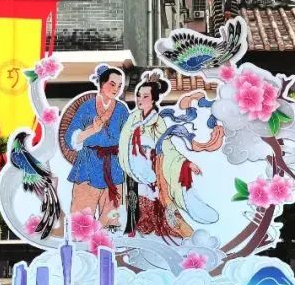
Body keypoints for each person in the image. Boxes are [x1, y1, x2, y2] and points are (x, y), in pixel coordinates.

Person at [118, 72, 223, 242]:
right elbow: (123, 143)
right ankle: (133, 235)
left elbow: (167, 147)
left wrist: (186, 163)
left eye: (145, 96)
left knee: (159, 203)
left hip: (153, 168)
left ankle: (166, 234)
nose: (140, 99)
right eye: (138, 95)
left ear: (153, 99)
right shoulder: (132, 119)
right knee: (133, 205)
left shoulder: (157, 121)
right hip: (133, 168)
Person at [64, 65, 129, 229]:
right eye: (112, 84)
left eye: (119, 85)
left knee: (111, 222)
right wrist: (92, 130)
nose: (116, 89)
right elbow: (70, 139)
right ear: (101, 83)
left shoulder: (122, 110)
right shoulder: (86, 107)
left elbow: (128, 138)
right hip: (88, 166)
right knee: (80, 221)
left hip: (113, 169)